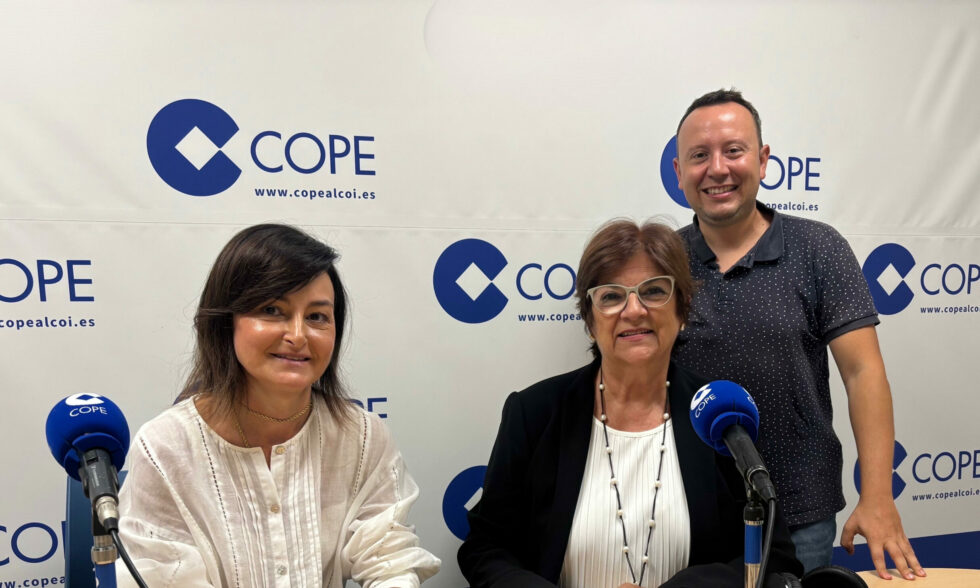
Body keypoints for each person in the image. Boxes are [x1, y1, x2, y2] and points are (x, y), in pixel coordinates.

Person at [458, 220, 803, 587]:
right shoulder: (535, 413)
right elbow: (485, 549)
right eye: (611, 296)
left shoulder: (719, 414)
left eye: (653, 292)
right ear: (590, 320)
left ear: (682, 309)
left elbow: (773, 553)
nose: (634, 310)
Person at [670, 89, 925, 580]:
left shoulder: (818, 248)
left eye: (733, 150)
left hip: (800, 510)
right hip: (690, 507)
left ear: (763, 160)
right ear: (679, 172)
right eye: (699, 156)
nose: (717, 169)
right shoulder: (664, 260)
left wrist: (877, 496)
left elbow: (863, 372)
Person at [116, 224, 440, 587]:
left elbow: (390, 561)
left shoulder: (362, 436)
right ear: (226, 322)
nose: (298, 336)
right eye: (272, 310)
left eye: (317, 317)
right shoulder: (165, 448)